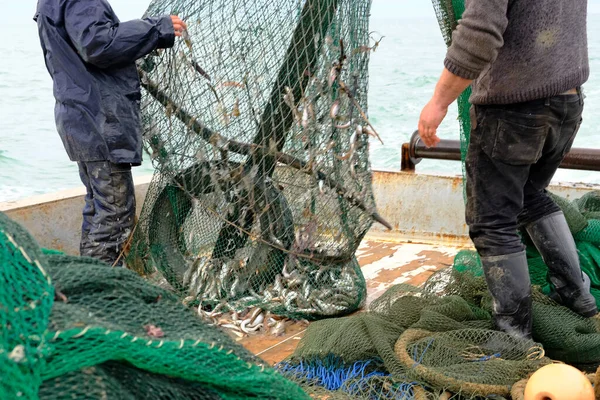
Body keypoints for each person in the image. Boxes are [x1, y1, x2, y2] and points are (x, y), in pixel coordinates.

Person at [418, 0, 597, 339]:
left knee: (492, 222)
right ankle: (578, 294)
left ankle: (514, 336)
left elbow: (479, 34)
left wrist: (438, 102)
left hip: (515, 110)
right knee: (531, 196)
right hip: (567, 102)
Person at [34, 0, 187, 266]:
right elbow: (98, 44)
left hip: (82, 118)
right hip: (98, 120)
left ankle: (90, 283)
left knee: (99, 211)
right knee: (114, 215)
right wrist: (156, 29)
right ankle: (102, 294)